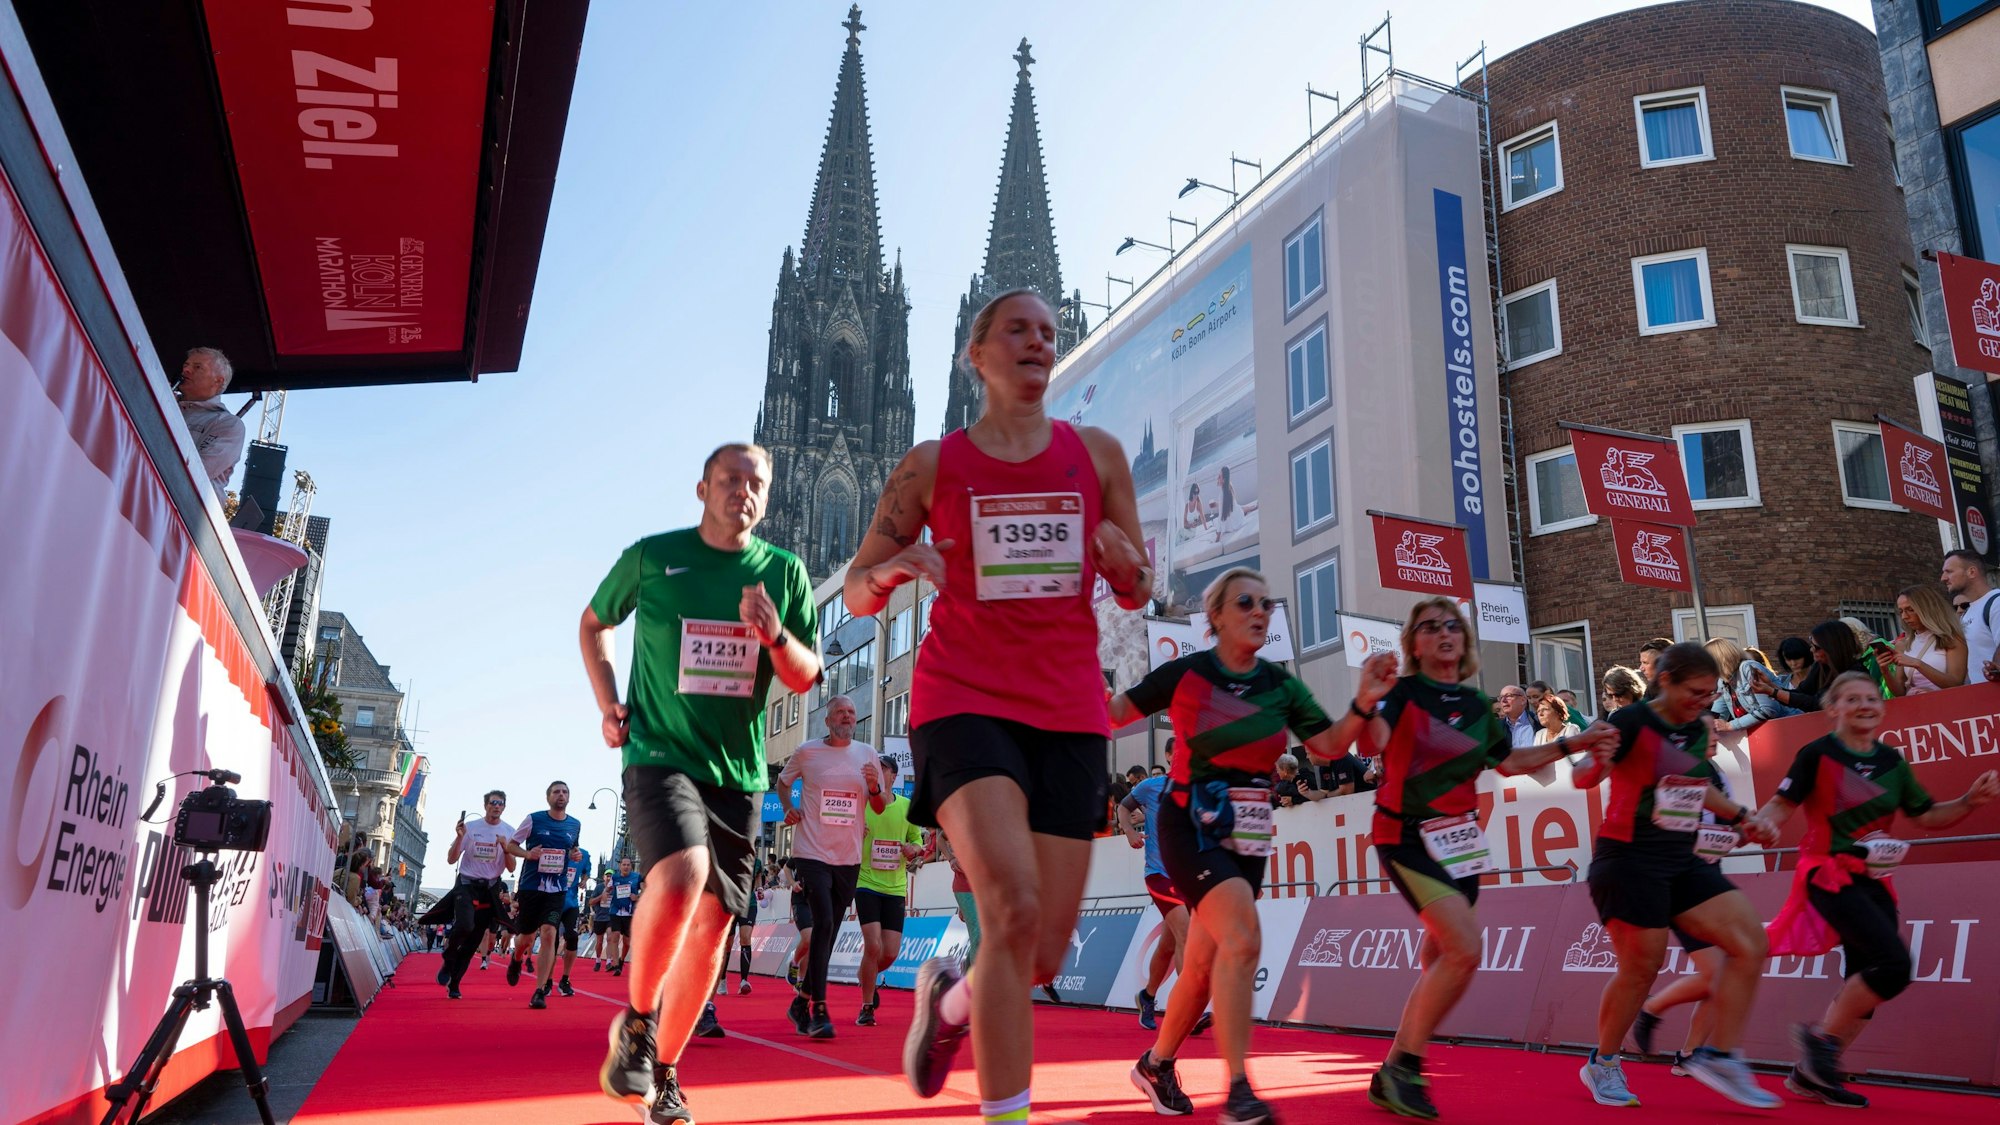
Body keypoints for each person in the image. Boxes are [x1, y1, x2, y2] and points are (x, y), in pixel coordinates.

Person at [843, 289, 1150, 1125]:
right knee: (1009, 906)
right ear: (973, 355)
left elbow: (1138, 583)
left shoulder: (1099, 456)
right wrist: (897, 564)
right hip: (962, 699)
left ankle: (949, 1005)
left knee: (1040, 950)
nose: (1039, 342)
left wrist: (1125, 564)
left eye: (1049, 332)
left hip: (1069, 709)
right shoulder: (930, 465)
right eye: (1017, 328)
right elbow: (857, 590)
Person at [582, 442, 821, 1125]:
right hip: (658, 753)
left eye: (755, 483)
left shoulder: (784, 571)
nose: (741, 492)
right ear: (702, 488)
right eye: (729, 480)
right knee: (684, 875)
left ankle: (663, 1073)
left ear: (767, 496)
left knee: (714, 925)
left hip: (739, 774)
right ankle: (634, 1023)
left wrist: (776, 637)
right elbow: (594, 622)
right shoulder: (653, 557)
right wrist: (608, 702)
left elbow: (805, 675)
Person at [1325, 598, 1617, 1119]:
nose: (1444, 633)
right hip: (1406, 835)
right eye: (1431, 627)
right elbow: (1376, 741)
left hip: (1461, 842)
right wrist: (1366, 699)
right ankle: (1405, 1067)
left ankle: (1390, 1071)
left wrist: (1574, 743)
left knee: (1442, 956)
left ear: (1465, 639)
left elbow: (1508, 763)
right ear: (1414, 644)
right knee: (1463, 948)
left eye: (1452, 626)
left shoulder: (1479, 706)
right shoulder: (1403, 694)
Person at [1111, 568, 1348, 1123]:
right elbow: (1114, 712)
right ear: (1216, 617)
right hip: (1188, 823)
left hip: (1247, 834)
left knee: (1202, 966)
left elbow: (1330, 746)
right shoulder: (1187, 673)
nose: (1260, 611)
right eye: (1246, 602)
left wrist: (1367, 702)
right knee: (1242, 940)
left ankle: (1156, 1064)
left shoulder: (1280, 684)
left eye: (1267, 603)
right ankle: (1240, 1091)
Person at [1749, 671, 2000, 1107]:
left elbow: (1924, 817)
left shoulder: (1892, 762)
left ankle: (1812, 1075)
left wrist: (1968, 802)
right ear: (1833, 709)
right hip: (1828, 875)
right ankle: (1820, 1041)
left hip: (1875, 880)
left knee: (1863, 978)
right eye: (1853, 699)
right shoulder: (1817, 754)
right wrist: (1758, 824)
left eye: (1872, 698)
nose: (1866, 705)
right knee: (1893, 966)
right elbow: (1780, 804)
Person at [1571, 643, 1780, 1110]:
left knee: (1751, 943)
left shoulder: (1693, 726)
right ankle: (1603, 1063)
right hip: (1627, 860)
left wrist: (1744, 818)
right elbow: (1584, 777)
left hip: (1682, 860)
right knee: (1641, 969)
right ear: (1665, 681)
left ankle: (1719, 1055)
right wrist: (1594, 761)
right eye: (1695, 691)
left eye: (1709, 694)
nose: (1704, 701)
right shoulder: (1630, 721)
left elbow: (1698, 787)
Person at [779, 696, 886, 1037]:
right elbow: (783, 782)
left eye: (852, 712)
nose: (847, 716)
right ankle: (819, 1010)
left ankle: (800, 1001)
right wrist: (788, 808)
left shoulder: (867, 754)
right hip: (811, 851)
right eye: (840, 711)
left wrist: (873, 786)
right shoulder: (808, 752)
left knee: (829, 929)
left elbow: (880, 806)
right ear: (827, 720)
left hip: (848, 857)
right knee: (823, 920)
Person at [856, 755, 928, 1026]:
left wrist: (914, 850)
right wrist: (855, 833)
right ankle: (866, 1007)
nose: (877, 771)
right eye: (873, 767)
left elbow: (917, 840)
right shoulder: (862, 804)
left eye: (883, 768)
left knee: (889, 953)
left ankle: (866, 975)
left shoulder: (907, 807)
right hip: (866, 883)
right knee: (872, 945)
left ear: (893, 777)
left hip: (896, 887)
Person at [499, 781, 584, 1010]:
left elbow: (573, 849)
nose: (561, 795)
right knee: (526, 939)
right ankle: (517, 958)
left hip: (557, 890)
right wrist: (528, 853)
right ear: (548, 797)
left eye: (565, 791)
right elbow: (511, 846)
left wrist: (575, 855)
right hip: (531, 888)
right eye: (556, 791)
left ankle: (539, 991)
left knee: (549, 933)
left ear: (569, 797)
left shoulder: (574, 824)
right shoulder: (533, 819)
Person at [1119, 766, 1186, 1033]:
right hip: (1159, 875)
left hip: (1186, 878)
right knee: (1187, 935)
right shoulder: (1151, 786)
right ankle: (1189, 1008)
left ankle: (1147, 996)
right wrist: (1129, 832)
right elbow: (1123, 808)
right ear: (1172, 757)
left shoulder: (1200, 789)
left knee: (1169, 945)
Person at [436, 792, 514, 999]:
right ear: (485, 805)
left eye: (500, 804)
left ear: (504, 807)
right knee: (464, 925)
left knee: (473, 941)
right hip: (466, 885)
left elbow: (512, 866)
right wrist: (459, 837)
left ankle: (455, 982)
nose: (496, 807)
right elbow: (451, 860)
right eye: (492, 803)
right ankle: (449, 956)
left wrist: (506, 849)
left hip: (490, 889)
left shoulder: (508, 831)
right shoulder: (470, 827)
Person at [175, 347, 244, 496]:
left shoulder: (228, 423)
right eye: (186, 365)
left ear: (218, 381)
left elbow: (199, 471)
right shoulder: (163, 401)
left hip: (183, 508)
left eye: (197, 367)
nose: (186, 370)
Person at [1753, 621, 1865, 713]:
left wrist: (1773, 692)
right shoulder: (1821, 666)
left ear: (1831, 648)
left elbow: (1817, 704)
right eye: (1811, 645)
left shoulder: (1855, 673)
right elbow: (1802, 692)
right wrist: (1770, 686)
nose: (1811, 650)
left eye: (1816, 647)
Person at [1705, 637, 1796, 733]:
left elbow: (1770, 709)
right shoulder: (1723, 681)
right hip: (1768, 734)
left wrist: (1729, 725)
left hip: (1791, 728)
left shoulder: (1748, 667)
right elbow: (1718, 715)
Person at [1890, 583, 1968, 693]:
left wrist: (1917, 664)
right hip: (1917, 707)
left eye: (1910, 609)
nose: (1904, 616)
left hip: (1947, 705)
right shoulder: (1903, 644)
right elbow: (1900, 692)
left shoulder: (1952, 639)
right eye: (1901, 611)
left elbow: (1955, 682)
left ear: (1927, 609)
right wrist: (1884, 670)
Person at [1941, 549, 1999, 682]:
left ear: (1971, 572)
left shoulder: (1996, 602)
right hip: (1983, 698)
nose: (1943, 578)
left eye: (1949, 572)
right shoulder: (1969, 611)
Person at [557, 844, 592, 996]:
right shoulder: (556, 850)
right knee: (551, 940)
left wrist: (584, 881)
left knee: (572, 937)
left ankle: (565, 979)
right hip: (553, 902)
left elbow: (586, 871)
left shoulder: (583, 855)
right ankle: (545, 982)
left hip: (571, 903)